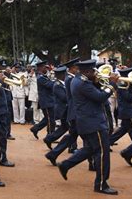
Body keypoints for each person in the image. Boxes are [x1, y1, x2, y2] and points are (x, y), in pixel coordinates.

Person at [57, 59, 118, 195]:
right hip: (93, 123)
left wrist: (96, 82)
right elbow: (101, 97)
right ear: (87, 71)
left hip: (87, 122)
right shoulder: (82, 84)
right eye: (93, 71)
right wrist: (113, 84)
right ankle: (101, 184)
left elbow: (94, 93)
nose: (96, 73)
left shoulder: (79, 80)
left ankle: (66, 165)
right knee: (103, 152)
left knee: (90, 149)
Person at [45, 58, 80, 165]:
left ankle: (53, 153)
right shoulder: (70, 79)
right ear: (73, 68)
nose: (78, 70)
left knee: (72, 134)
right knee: (83, 137)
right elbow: (71, 96)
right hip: (73, 110)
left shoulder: (70, 78)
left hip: (73, 110)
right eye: (77, 68)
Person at [109, 67, 132, 146]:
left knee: (122, 130)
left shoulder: (128, 84)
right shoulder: (121, 85)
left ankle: (107, 142)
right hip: (128, 111)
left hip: (127, 111)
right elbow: (128, 97)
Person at [43, 66, 69, 150]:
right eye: (65, 74)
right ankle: (50, 139)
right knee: (68, 128)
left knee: (65, 127)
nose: (66, 75)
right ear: (61, 75)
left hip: (65, 109)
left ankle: (49, 139)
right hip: (62, 110)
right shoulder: (57, 85)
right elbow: (64, 98)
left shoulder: (62, 83)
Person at [30, 61, 55, 139]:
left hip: (49, 100)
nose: (46, 69)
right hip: (46, 102)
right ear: (40, 68)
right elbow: (50, 85)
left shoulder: (43, 76)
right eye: (44, 67)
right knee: (51, 120)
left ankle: (35, 128)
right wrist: (56, 79)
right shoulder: (40, 77)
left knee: (48, 119)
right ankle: (50, 136)